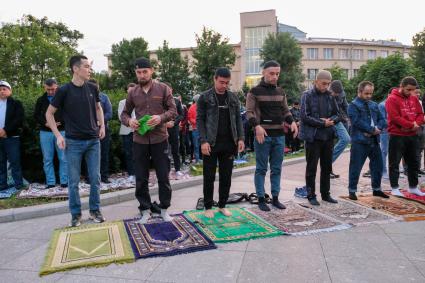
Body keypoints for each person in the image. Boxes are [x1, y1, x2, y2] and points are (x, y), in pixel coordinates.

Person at [46, 55, 106, 227]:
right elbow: (49, 114)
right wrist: (58, 135)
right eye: (86, 66)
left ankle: (95, 211)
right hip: (73, 143)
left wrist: (102, 127)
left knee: (95, 178)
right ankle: (76, 214)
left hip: (94, 141)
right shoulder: (64, 91)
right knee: (73, 182)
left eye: (89, 66)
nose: (90, 69)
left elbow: (98, 108)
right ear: (76, 69)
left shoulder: (93, 88)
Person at [120, 57, 177, 224]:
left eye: (145, 71)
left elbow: (173, 110)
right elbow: (124, 114)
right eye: (139, 72)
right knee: (141, 178)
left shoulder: (163, 89)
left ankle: (164, 209)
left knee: (163, 177)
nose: (142, 75)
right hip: (139, 141)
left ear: (151, 71)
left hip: (160, 139)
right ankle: (145, 210)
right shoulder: (132, 93)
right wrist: (129, 121)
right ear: (136, 73)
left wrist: (160, 118)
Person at [246, 60, 298, 211]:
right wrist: (257, 126)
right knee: (261, 168)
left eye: (277, 74)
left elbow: (286, 110)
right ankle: (261, 198)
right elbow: (249, 112)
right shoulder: (254, 92)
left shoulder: (281, 92)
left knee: (277, 168)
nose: (275, 76)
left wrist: (292, 122)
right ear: (263, 73)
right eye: (272, 73)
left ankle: (275, 198)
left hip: (279, 136)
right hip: (263, 136)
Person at [197, 67, 245, 217]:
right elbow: (200, 120)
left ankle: (222, 205)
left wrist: (241, 138)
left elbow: (238, 119)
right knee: (209, 176)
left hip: (229, 143)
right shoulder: (205, 97)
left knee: (226, 176)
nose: (224, 85)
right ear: (215, 79)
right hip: (211, 143)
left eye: (227, 83)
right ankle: (208, 207)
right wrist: (203, 141)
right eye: (221, 82)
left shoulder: (233, 98)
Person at [299, 70, 341, 206]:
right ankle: (311, 195)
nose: (326, 86)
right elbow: (305, 116)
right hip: (313, 137)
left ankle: (326, 194)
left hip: (328, 137)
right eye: (323, 83)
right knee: (311, 168)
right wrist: (322, 123)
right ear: (316, 81)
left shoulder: (330, 96)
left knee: (327, 167)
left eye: (328, 84)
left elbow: (338, 114)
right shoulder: (307, 95)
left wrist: (330, 121)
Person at [347, 81, 389, 200]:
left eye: (371, 93)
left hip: (374, 140)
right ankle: (352, 191)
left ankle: (376, 189)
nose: (369, 96)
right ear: (359, 92)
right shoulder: (353, 105)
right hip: (359, 141)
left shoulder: (374, 105)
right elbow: (356, 121)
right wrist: (372, 129)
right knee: (356, 166)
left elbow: (383, 120)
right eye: (366, 93)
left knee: (378, 166)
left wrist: (378, 129)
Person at [386, 76, 425, 197]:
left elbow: (420, 114)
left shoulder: (413, 98)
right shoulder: (391, 99)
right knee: (395, 162)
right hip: (397, 135)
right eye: (408, 89)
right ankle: (394, 188)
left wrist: (416, 124)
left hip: (412, 135)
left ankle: (413, 187)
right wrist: (410, 125)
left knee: (414, 162)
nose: (411, 93)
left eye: (413, 90)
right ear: (401, 87)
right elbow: (395, 117)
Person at [34, 78, 68, 189]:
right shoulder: (40, 100)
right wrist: (45, 123)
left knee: (63, 157)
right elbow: (36, 115)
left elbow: (69, 113)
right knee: (47, 158)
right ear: (44, 87)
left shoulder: (63, 99)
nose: (50, 92)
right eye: (48, 89)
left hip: (61, 130)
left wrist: (61, 122)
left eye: (52, 89)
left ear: (57, 87)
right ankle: (51, 182)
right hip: (45, 132)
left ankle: (64, 181)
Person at [0, 80, 24, 191]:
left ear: (10, 90)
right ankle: (2, 185)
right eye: (0, 90)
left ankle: (18, 184)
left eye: (4, 89)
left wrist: (5, 130)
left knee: (15, 161)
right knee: (1, 162)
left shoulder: (16, 103)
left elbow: (18, 120)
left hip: (11, 137)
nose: (2, 91)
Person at [89, 79, 112, 183]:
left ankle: (104, 176)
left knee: (104, 154)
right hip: (89, 130)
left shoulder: (104, 97)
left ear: (98, 87)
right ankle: (90, 177)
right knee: (89, 155)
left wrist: (99, 122)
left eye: (95, 87)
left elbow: (109, 113)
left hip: (103, 129)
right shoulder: (84, 97)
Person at [329, 80, 350, 178]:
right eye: (335, 93)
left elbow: (346, 106)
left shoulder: (342, 94)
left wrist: (349, 117)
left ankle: (328, 166)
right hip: (332, 119)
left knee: (339, 142)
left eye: (338, 93)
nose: (336, 94)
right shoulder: (327, 95)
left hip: (341, 119)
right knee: (345, 139)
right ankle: (327, 164)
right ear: (331, 89)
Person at [164, 83, 184, 178]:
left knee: (175, 150)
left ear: (171, 90)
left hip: (174, 128)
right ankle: (166, 170)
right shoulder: (159, 101)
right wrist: (164, 123)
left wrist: (174, 122)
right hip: (163, 129)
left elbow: (181, 115)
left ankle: (177, 169)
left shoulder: (176, 101)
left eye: (169, 89)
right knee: (164, 150)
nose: (167, 91)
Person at [118, 83, 136, 182]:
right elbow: (121, 116)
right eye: (129, 91)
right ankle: (131, 174)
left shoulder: (140, 100)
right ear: (127, 91)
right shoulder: (122, 102)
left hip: (138, 130)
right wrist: (130, 122)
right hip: (127, 130)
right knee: (128, 153)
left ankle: (139, 172)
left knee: (139, 153)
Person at [188, 95, 200, 163]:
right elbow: (190, 118)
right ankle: (197, 160)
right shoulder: (192, 107)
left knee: (203, 144)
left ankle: (202, 159)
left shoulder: (203, 106)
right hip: (195, 129)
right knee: (196, 145)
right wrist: (197, 121)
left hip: (202, 129)